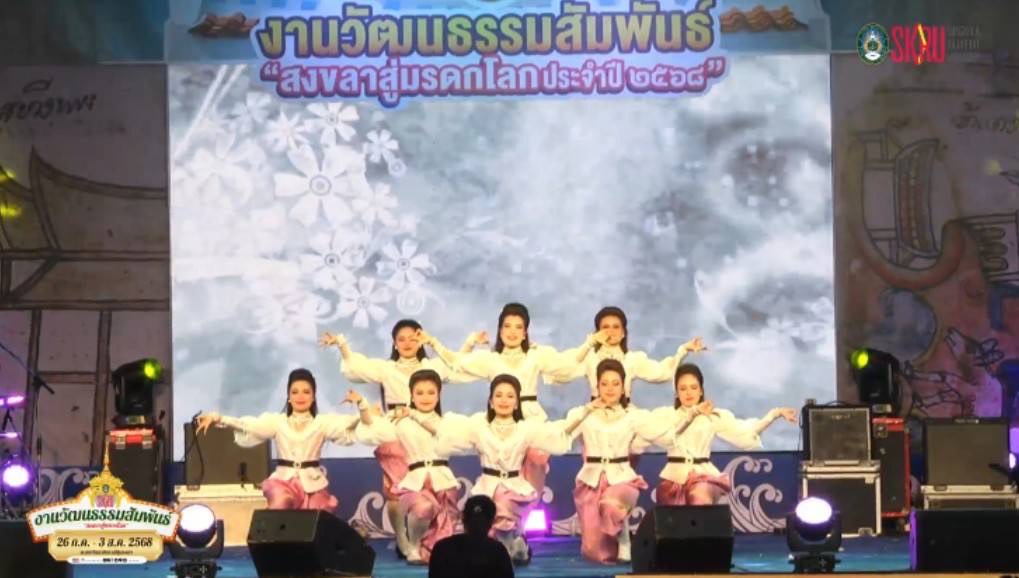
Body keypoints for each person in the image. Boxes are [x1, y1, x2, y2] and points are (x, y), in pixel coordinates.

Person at [320, 319, 473, 556]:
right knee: (395, 491)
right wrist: (341, 344)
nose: (407, 343)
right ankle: (402, 539)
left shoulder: (431, 367)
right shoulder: (387, 368)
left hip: (425, 429)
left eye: (413, 338)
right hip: (395, 428)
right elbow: (358, 368)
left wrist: (466, 343)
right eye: (401, 339)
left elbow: (456, 363)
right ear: (394, 343)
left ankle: (423, 540)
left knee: (431, 491)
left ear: (420, 340)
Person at [425, 302, 585, 495]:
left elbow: (566, 365)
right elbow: (457, 363)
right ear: (500, 331)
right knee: (500, 460)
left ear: (525, 333)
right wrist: (434, 342)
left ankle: (531, 501)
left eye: (518, 327)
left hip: (530, 416)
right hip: (500, 418)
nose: (512, 332)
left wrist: (590, 344)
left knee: (537, 457)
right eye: (507, 326)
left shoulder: (536, 355)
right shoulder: (490, 359)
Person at [195, 368, 381, 511]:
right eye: (295, 392)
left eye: (306, 392)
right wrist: (218, 418)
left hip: (312, 482)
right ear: (289, 397)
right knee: (281, 502)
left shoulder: (322, 423)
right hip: (283, 482)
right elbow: (248, 426)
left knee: (317, 520)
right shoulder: (278, 421)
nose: (300, 396)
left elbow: (350, 424)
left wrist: (364, 408)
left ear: (313, 397)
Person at [436, 374, 572, 564]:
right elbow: (448, 437)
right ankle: (516, 545)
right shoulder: (479, 427)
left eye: (510, 396)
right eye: (499, 395)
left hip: (515, 490)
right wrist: (418, 417)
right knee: (486, 528)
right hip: (486, 487)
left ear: (517, 403)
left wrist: (584, 414)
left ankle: (509, 551)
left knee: (503, 503)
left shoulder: (525, 429)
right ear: (491, 402)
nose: (504, 400)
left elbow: (556, 437)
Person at [563, 359, 672, 564]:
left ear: (623, 388)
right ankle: (614, 535)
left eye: (616, 384)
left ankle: (624, 539)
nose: (610, 389)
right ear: (597, 386)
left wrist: (688, 417)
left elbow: (663, 435)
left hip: (622, 478)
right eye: (604, 383)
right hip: (591, 479)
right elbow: (563, 434)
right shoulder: (583, 414)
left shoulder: (633, 416)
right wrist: (587, 410)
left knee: (611, 505)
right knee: (596, 553)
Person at [648, 363, 797, 505]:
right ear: (676, 392)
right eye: (683, 388)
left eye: (693, 387)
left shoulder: (713, 417)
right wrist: (693, 413)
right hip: (674, 477)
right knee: (668, 507)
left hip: (702, 476)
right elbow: (670, 435)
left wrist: (774, 414)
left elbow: (745, 431)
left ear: (701, 391)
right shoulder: (667, 416)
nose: (688, 393)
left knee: (699, 497)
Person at [360, 369, 466, 565]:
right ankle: (413, 546)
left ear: (439, 394)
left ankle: (430, 549)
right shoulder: (401, 422)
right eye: (420, 393)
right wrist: (364, 407)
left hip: (443, 481)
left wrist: (415, 415)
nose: (425, 397)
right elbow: (372, 430)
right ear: (411, 395)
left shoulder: (448, 421)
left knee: (443, 545)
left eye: (431, 392)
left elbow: (443, 436)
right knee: (423, 508)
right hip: (415, 481)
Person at [428, 495, 514, 578]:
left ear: (464, 520)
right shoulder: (498, 552)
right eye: (475, 522)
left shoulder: (442, 548)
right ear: (491, 522)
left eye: (480, 522)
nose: (477, 525)